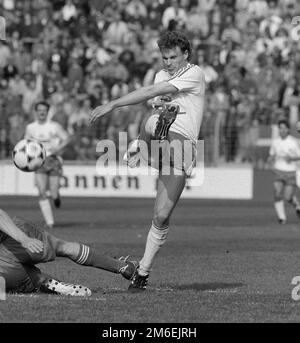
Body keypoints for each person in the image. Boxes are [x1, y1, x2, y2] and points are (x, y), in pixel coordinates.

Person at [90, 31, 205, 292]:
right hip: (167, 141)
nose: (167, 62)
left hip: (185, 148)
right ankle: (144, 142)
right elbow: (153, 97)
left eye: (173, 57)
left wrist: (112, 104)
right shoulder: (162, 75)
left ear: (185, 54)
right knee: (155, 119)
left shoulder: (195, 73)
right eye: (164, 57)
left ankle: (142, 272)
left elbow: (152, 91)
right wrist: (159, 102)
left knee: (161, 216)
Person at [0, 208, 138, 296]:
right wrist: (24, 239)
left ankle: (51, 284)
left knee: (30, 278)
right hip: (15, 237)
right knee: (63, 247)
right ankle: (123, 267)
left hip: (6, 269)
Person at [25, 101, 69, 229]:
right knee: (42, 192)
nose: (42, 112)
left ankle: (56, 197)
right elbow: (26, 143)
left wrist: (58, 148)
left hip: (53, 160)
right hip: (39, 161)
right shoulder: (31, 127)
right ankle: (50, 222)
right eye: (39, 110)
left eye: (44, 110)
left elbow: (67, 138)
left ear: (48, 111)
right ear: (36, 112)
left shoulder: (54, 126)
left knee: (53, 193)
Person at [268, 119, 300, 224]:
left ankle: (297, 205)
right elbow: (272, 155)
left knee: (288, 196)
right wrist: (270, 160)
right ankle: (282, 218)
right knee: (277, 193)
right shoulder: (275, 142)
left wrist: (292, 158)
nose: (282, 130)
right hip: (278, 170)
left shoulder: (294, 142)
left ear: (288, 129)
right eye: (280, 128)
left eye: (284, 128)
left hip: (290, 171)